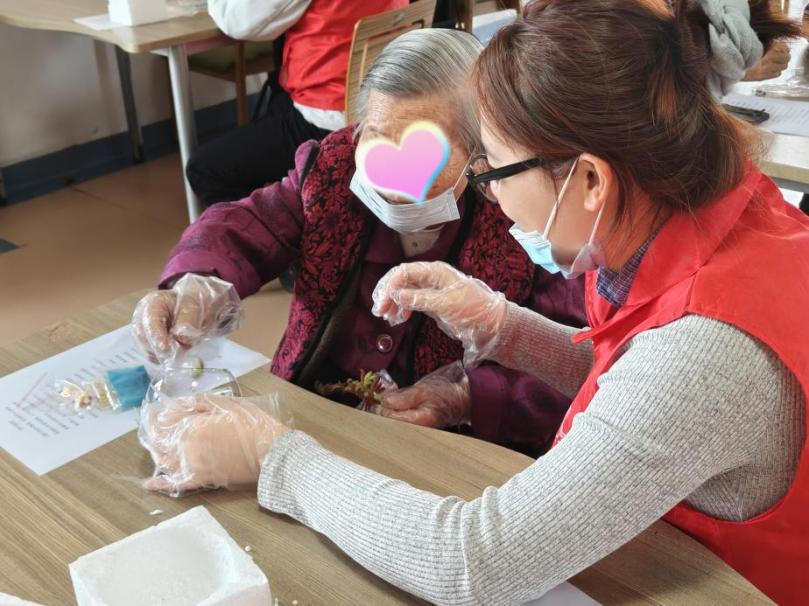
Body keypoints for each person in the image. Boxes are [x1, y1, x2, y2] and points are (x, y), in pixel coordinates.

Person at [139, 1, 809, 604]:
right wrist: (504, 326)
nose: (488, 192)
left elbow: (474, 563)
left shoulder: (704, 346)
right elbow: (631, 382)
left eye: (493, 169)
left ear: (589, 181)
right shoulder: (713, 217)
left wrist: (272, 456)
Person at [133, 29, 586, 458]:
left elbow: (573, 362)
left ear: (478, 154)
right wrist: (196, 283)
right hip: (315, 412)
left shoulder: (519, 218)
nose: (391, 179)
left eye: (424, 151)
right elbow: (251, 222)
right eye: (377, 137)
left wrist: (466, 396)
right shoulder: (331, 173)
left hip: (446, 447)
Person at [187, 0, 407, 208]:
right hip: (385, 103)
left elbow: (236, 21)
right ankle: (302, 202)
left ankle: (272, 229)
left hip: (330, 116)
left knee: (204, 169)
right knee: (276, 105)